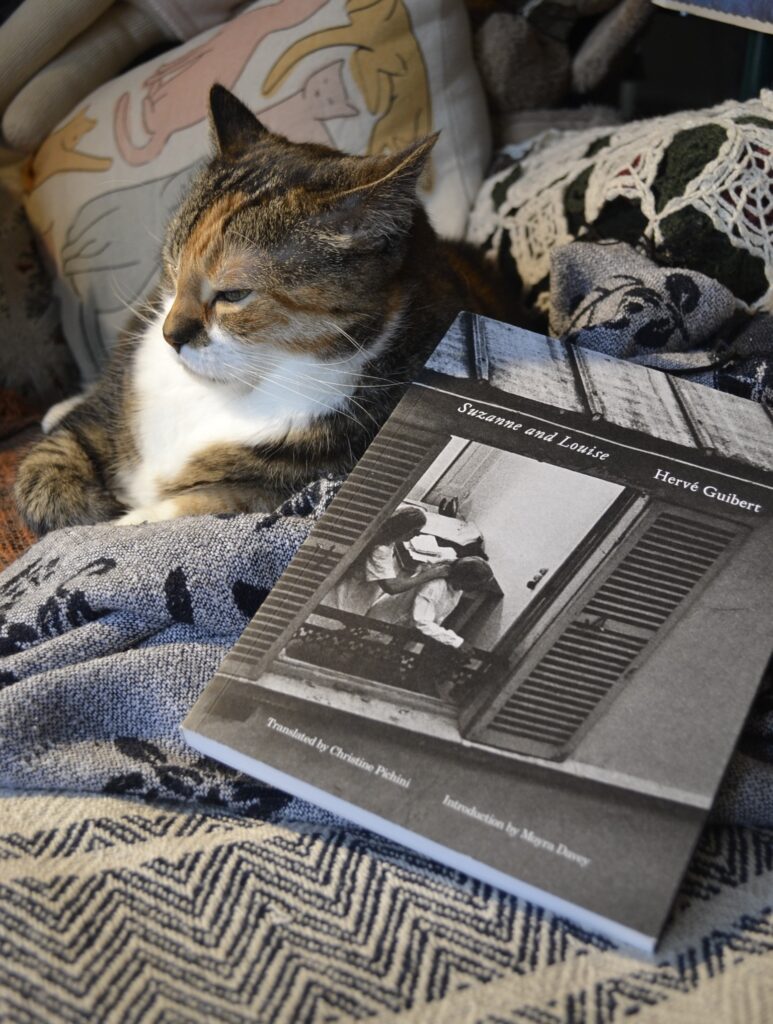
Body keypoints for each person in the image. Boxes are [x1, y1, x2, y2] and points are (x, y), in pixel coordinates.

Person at [326, 506, 451, 615]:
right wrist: (430, 575)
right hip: (346, 600)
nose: (418, 535)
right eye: (415, 531)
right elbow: (392, 587)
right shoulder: (380, 550)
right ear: (403, 529)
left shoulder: (384, 537)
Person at [370, 556, 493, 648]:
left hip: (401, 631)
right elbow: (421, 621)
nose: (479, 588)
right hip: (381, 625)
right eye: (478, 584)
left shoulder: (457, 588)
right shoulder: (435, 586)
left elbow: (435, 619)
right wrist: (455, 641)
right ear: (465, 578)